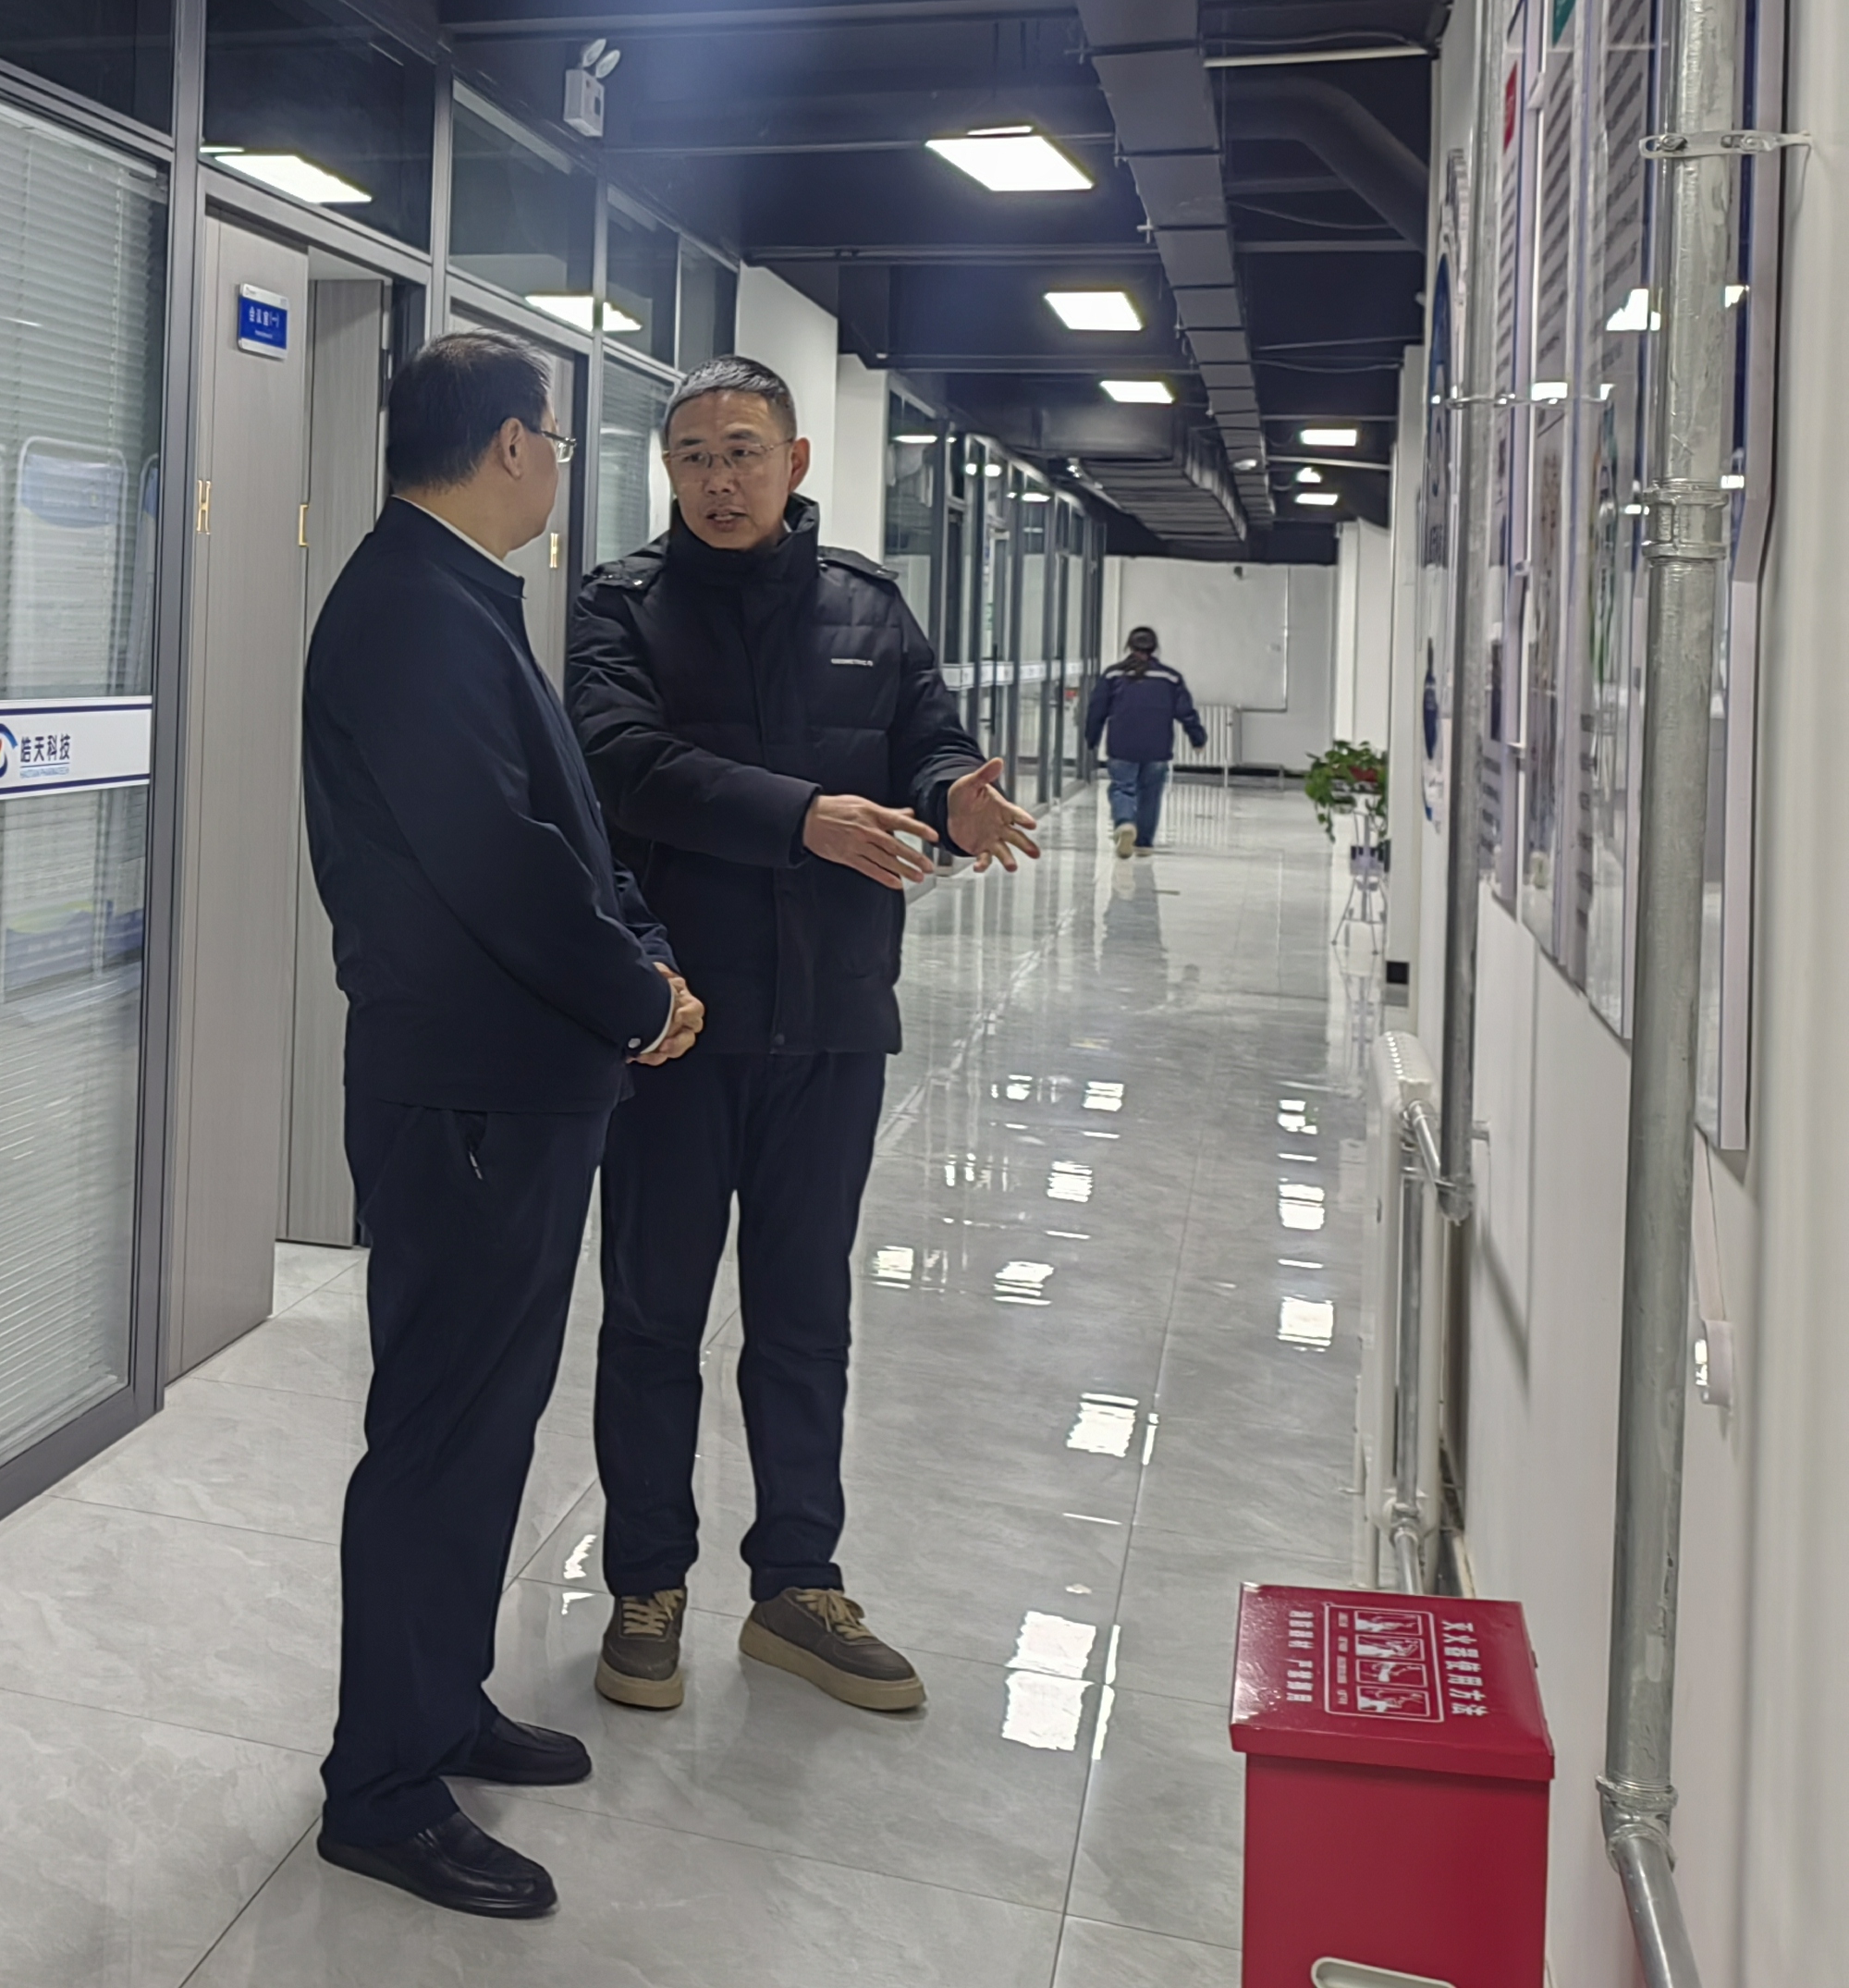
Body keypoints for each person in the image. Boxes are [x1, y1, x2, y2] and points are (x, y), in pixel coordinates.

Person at [299, 333, 702, 1921]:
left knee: (486, 1424)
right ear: (514, 447)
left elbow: (559, 834)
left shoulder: (457, 593)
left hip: (515, 1084)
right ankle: (382, 1790)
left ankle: (440, 1702)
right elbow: (499, 865)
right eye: (555, 438)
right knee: (439, 1433)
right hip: (464, 1091)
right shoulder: (411, 609)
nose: (558, 467)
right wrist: (637, 991)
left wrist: (640, 957)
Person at [568, 357, 1035, 1722]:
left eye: (743, 452)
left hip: (830, 1018)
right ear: (667, 469)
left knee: (804, 1317)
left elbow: (927, 742)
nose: (720, 479)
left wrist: (954, 797)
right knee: (652, 1317)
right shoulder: (620, 605)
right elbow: (619, 762)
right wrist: (802, 819)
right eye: (695, 456)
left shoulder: (867, 608)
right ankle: (646, 1585)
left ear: (796, 461)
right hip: (677, 1023)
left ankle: (797, 1587)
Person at [1082, 623, 1206, 856]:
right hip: (1157, 748)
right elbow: (1186, 712)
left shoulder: (1113, 675)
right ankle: (1144, 842)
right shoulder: (1170, 678)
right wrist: (1198, 738)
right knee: (1151, 794)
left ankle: (1125, 823)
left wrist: (1091, 738)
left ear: (1129, 646)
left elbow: (1096, 710)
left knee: (1122, 788)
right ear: (1154, 648)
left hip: (1122, 746)